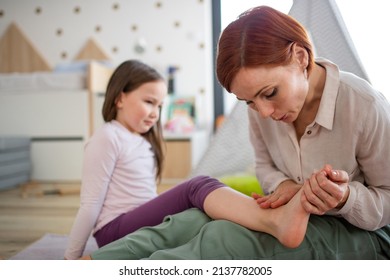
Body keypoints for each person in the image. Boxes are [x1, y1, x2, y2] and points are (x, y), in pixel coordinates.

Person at [78, 6, 390, 260]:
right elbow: (265, 166)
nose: (263, 113)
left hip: (361, 231)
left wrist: (345, 198)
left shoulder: (365, 106)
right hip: (291, 216)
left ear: (300, 58)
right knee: (193, 219)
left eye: (270, 93)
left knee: (223, 236)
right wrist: (284, 185)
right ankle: (89, 265)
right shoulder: (259, 106)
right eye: (248, 102)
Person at [65, 59, 311, 260]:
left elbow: (144, 199)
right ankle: (273, 220)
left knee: (200, 216)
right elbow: (90, 204)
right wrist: (70, 258)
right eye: (149, 102)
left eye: (160, 105)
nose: (155, 113)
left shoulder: (141, 140)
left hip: (134, 225)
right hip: (113, 230)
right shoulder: (107, 136)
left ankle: (257, 233)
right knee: (197, 186)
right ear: (119, 98)